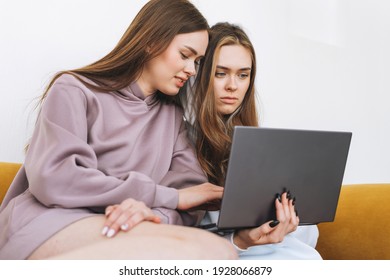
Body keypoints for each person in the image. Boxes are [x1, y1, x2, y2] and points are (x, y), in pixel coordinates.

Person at [0, 0, 237, 260]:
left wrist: (153, 213)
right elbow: (55, 179)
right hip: (47, 222)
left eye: (198, 61)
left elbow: (191, 197)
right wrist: (162, 197)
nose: (192, 70)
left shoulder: (172, 118)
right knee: (212, 253)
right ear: (151, 41)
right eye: (185, 55)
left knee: (219, 249)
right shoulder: (73, 90)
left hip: (121, 226)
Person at [184, 22, 322, 259]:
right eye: (220, 73)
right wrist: (241, 241)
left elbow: (310, 238)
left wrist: (290, 223)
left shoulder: (263, 147)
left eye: (243, 75)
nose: (232, 86)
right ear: (201, 73)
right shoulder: (181, 141)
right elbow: (185, 239)